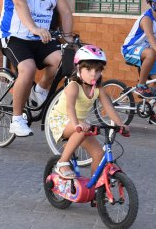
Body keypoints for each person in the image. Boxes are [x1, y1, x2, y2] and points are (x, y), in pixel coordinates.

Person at [0, 0, 73, 137]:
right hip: (15, 37)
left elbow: (65, 11)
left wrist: (68, 37)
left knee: (63, 61)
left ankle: (40, 90)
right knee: (28, 69)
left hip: (42, 37)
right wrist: (34, 28)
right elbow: (21, 5)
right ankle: (16, 119)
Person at [49, 45, 128, 178]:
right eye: (89, 69)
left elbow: (109, 107)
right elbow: (70, 108)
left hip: (81, 125)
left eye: (98, 70)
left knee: (98, 155)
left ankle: (95, 191)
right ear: (79, 68)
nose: (93, 74)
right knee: (83, 129)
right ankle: (62, 163)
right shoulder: (73, 86)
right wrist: (76, 124)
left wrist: (120, 124)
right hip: (62, 120)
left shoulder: (98, 89)